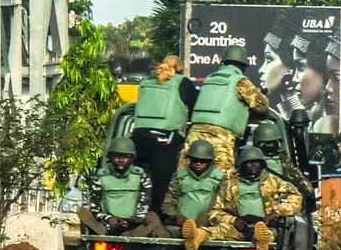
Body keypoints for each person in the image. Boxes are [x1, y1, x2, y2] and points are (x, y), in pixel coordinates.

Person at [181, 45, 269, 182]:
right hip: (221, 137)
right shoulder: (240, 81)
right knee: (222, 183)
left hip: (194, 135)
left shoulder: (209, 79)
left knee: (185, 179)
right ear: (243, 65)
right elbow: (261, 107)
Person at [132, 54, 198, 213]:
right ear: (178, 69)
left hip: (139, 137)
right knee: (163, 183)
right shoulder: (182, 83)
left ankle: (135, 213)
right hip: (166, 139)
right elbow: (196, 104)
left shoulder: (145, 82)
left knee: (137, 179)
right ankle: (156, 214)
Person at [209, 147, 303, 250]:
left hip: (265, 225)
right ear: (242, 164)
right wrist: (233, 220)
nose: (253, 165)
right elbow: (215, 212)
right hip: (238, 226)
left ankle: (261, 243)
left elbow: (296, 196)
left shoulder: (273, 181)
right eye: (249, 163)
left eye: (257, 162)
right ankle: (196, 239)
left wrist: (277, 211)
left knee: (266, 234)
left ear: (262, 164)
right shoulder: (228, 184)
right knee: (214, 231)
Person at [76, 137, 164, 238]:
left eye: (125, 157)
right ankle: (105, 233)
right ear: (110, 157)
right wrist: (109, 219)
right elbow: (94, 208)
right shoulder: (100, 177)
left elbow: (144, 205)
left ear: (132, 158)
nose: (121, 160)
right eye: (117, 156)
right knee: (82, 211)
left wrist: (132, 221)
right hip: (108, 223)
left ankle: (130, 236)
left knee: (152, 216)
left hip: (134, 225)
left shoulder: (141, 176)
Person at [160, 140, 226, 250]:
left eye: (203, 161)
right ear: (189, 159)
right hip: (181, 225)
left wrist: (209, 217)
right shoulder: (179, 176)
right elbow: (168, 202)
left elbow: (223, 203)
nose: (198, 163)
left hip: (208, 225)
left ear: (210, 162)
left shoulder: (220, 178)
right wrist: (175, 216)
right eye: (195, 160)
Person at [251, 121, 314, 209]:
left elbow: (302, 182)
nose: (270, 146)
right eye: (267, 143)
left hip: (283, 206)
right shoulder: (250, 164)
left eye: (273, 142)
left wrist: (307, 192)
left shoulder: (285, 162)